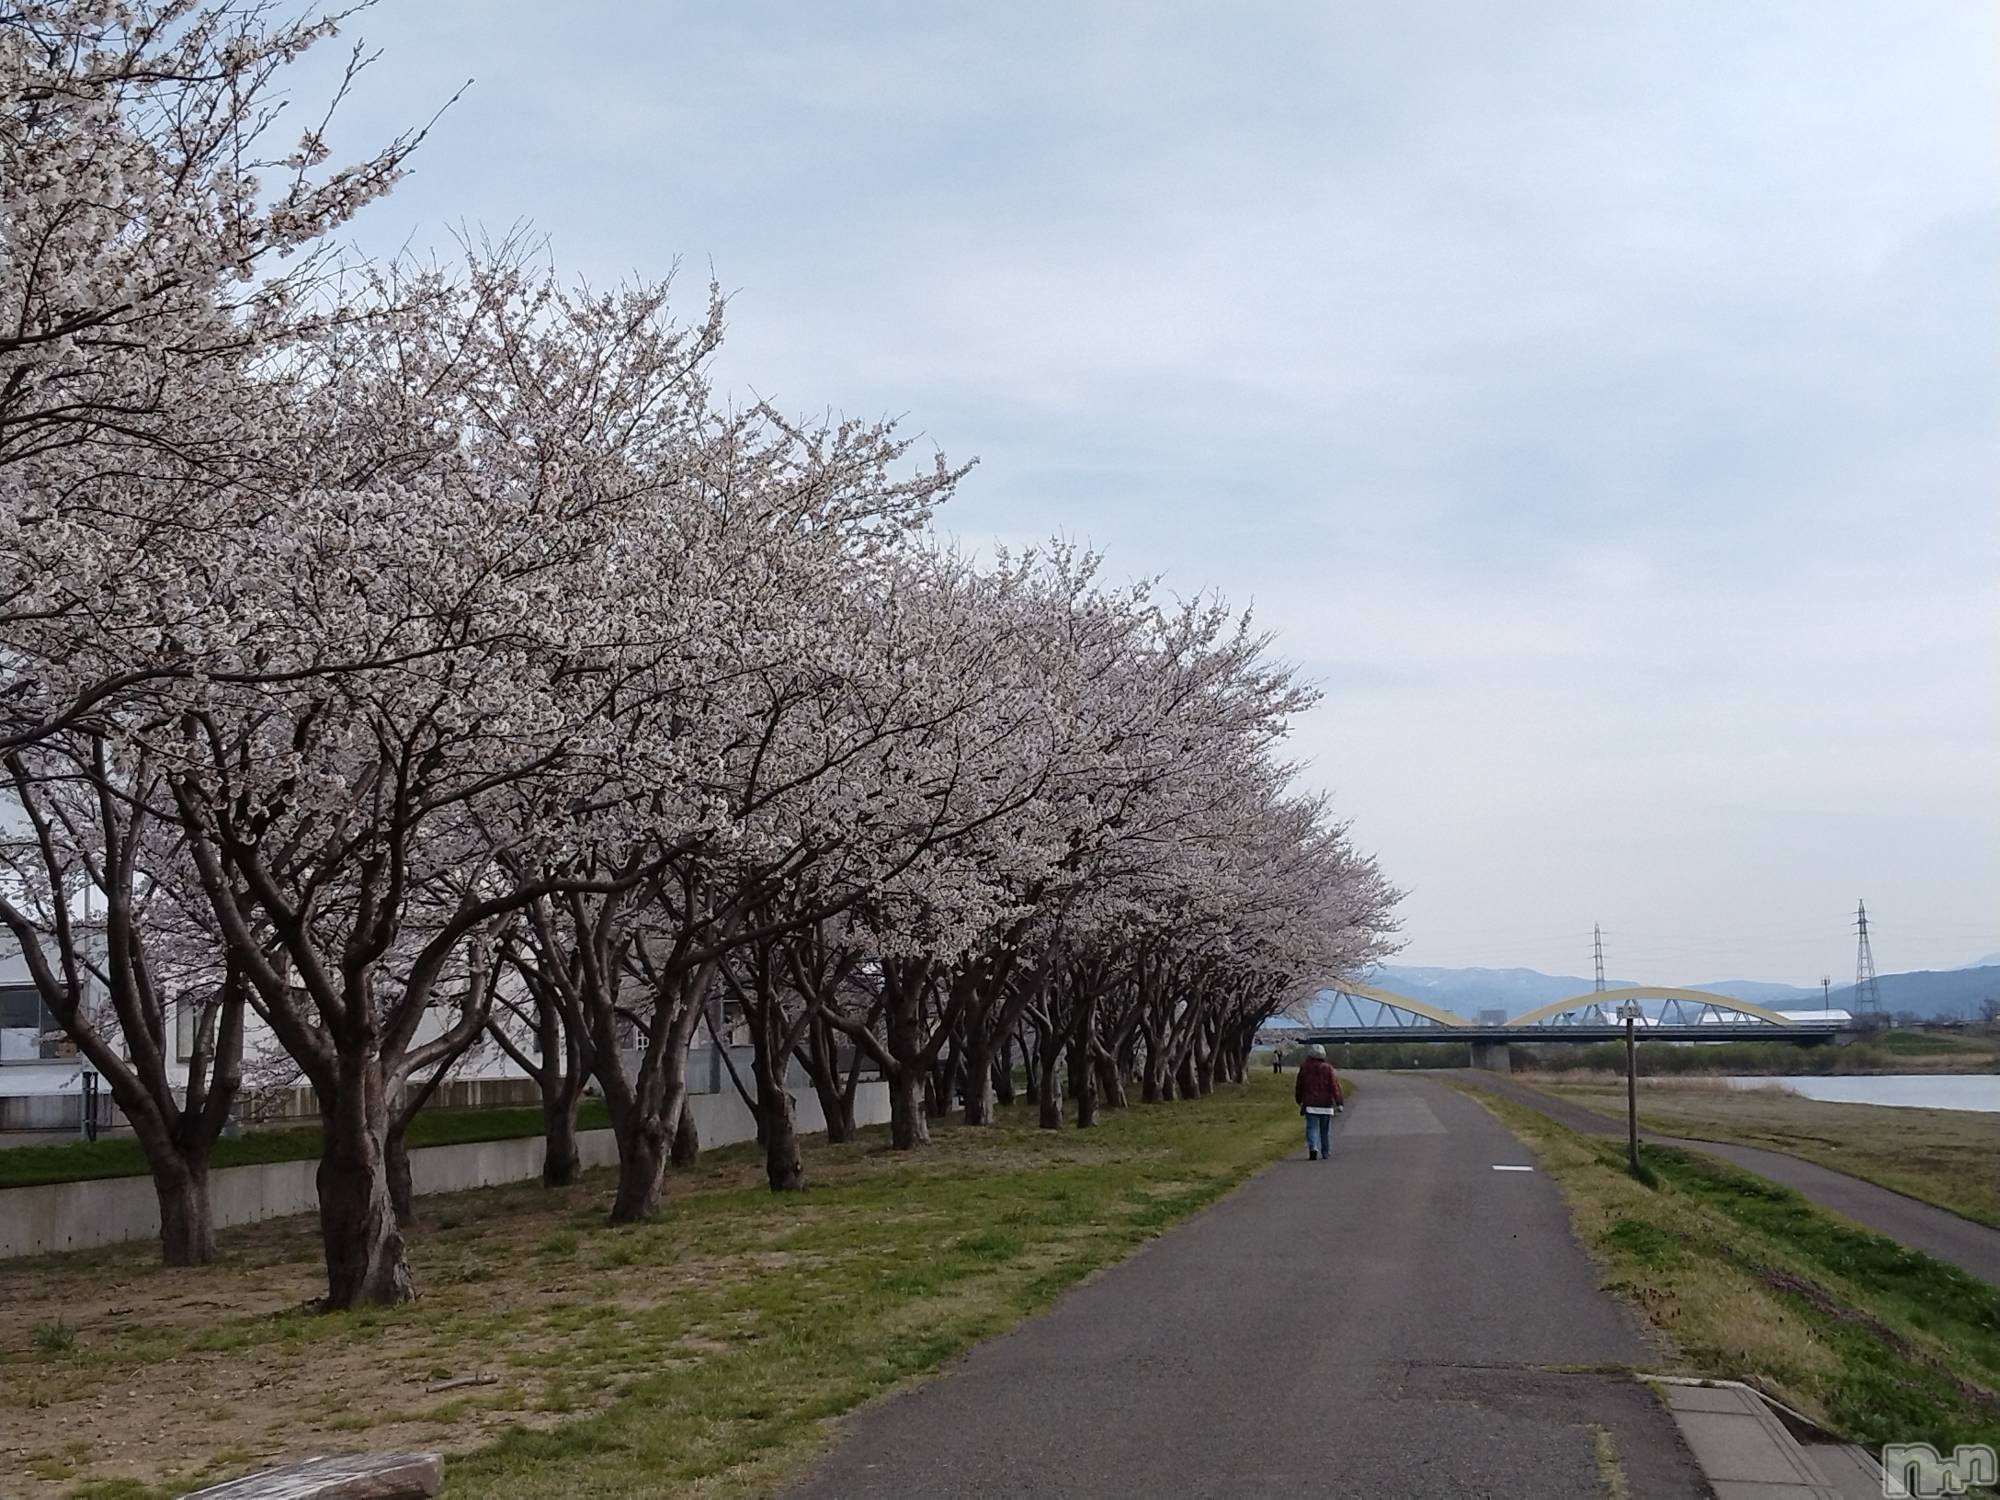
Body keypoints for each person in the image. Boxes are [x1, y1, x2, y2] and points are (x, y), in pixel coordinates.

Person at [1293, 1044, 1344, 1160]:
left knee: (1311, 1127)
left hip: (1310, 1103)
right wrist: (1339, 1101)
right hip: (1326, 1104)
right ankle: (1325, 1151)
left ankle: (1313, 1148)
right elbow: (1334, 1086)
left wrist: (1299, 1099)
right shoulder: (1328, 1068)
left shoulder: (1304, 1068)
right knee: (1324, 1130)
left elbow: (1299, 1085)